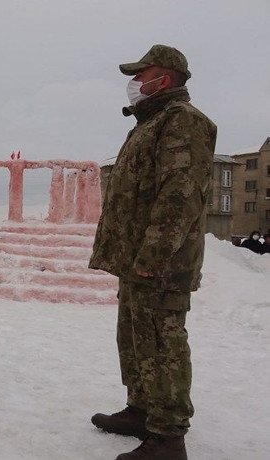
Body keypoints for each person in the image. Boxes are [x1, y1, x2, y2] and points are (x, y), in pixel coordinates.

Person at [88, 45, 217, 460]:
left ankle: (168, 435)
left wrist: (154, 257)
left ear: (165, 78)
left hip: (160, 264)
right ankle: (142, 410)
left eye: (142, 74)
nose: (135, 82)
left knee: (162, 344)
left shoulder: (183, 122)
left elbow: (179, 196)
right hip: (137, 260)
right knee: (134, 337)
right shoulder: (151, 122)